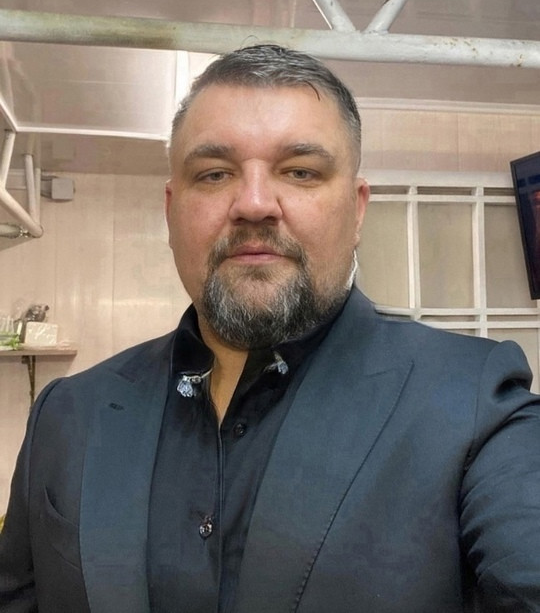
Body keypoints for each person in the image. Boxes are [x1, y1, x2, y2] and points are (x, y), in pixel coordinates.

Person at [1, 44, 540, 613]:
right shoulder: (68, 414)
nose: (255, 204)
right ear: (171, 211)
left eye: (300, 171)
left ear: (357, 210)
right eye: (214, 174)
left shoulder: (476, 404)